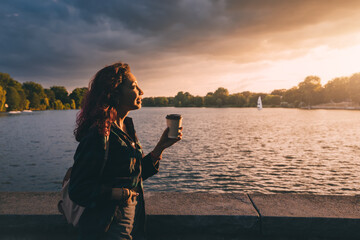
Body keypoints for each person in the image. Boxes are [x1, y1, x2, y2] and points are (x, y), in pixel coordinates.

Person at [69, 62, 182, 240]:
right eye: (134, 86)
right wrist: (118, 193)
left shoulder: (126, 127)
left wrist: (160, 148)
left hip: (131, 225)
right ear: (114, 93)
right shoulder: (100, 133)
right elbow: (78, 189)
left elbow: (133, 175)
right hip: (106, 229)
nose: (141, 92)